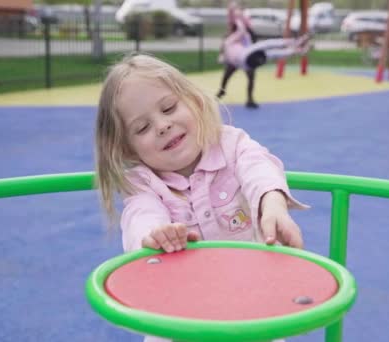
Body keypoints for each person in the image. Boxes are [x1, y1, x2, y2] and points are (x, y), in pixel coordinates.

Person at [94, 54, 308, 342]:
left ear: (193, 101)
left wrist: (273, 203)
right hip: (180, 323)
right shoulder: (143, 184)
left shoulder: (232, 145)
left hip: (251, 313)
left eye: (169, 108)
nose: (162, 125)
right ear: (129, 149)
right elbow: (140, 215)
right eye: (142, 128)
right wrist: (153, 236)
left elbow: (259, 168)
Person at [218, 16, 311, 109]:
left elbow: (243, 42)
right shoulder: (229, 40)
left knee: (272, 54)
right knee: (267, 45)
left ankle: (298, 49)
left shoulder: (232, 44)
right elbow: (241, 31)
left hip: (245, 62)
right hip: (245, 57)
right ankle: (296, 44)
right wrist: (237, 18)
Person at [217, 1, 260, 109]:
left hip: (246, 55)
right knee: (227, 74)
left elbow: (251, 35)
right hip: (236, 56)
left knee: (251, 77)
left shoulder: (246, 30)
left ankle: (250, 99)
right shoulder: (234, 28)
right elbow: (231, 17)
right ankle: (221, 92)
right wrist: (232, 8)